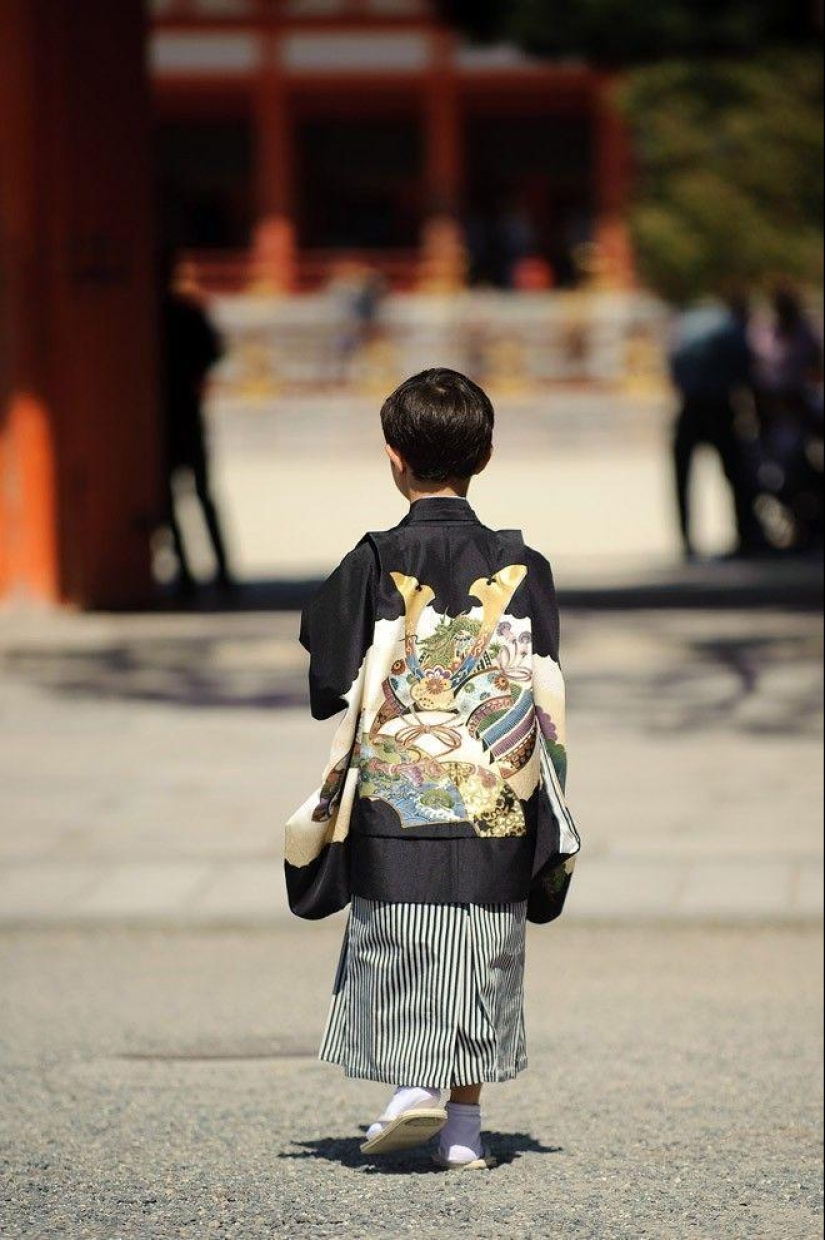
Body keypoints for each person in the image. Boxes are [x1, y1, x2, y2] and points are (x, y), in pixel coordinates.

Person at [285, 369, 581, 1170]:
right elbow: (545, 679)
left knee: (399, 940)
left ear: (393, 457)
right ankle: (463, 1131)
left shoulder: (375, 559)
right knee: (484, 951)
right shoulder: (524, 563)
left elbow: (329, 672)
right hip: (496, 796)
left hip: (399, 797)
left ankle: (412, 1087)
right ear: (485, 456)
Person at [670, 297, 766, 560]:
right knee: (735, 473)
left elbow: (675, 366)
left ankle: (686, 540)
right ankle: (746, 535)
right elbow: (745, 376)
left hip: (691, 406)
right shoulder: (732, 330)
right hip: (719, 407)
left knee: (683, 475)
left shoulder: (691, 324)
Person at [161, 268, 232, 593]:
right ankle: (221, 571)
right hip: (182, 413)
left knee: (180, 497)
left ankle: (191, 573)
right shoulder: (187, 311)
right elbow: (214, 353)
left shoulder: (166, 314)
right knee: (200, 494)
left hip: (169, 415)